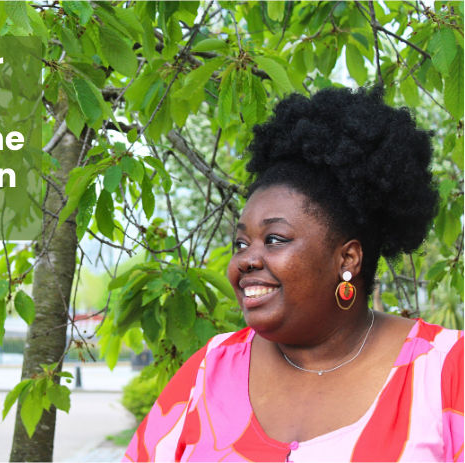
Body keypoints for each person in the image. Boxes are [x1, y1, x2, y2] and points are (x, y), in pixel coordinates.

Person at [122, 87, 463, 462]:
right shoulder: (209, 369)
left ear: (347, 259)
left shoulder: (448, 372)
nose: (246, 261)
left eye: (274, 239)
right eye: (240, 243)